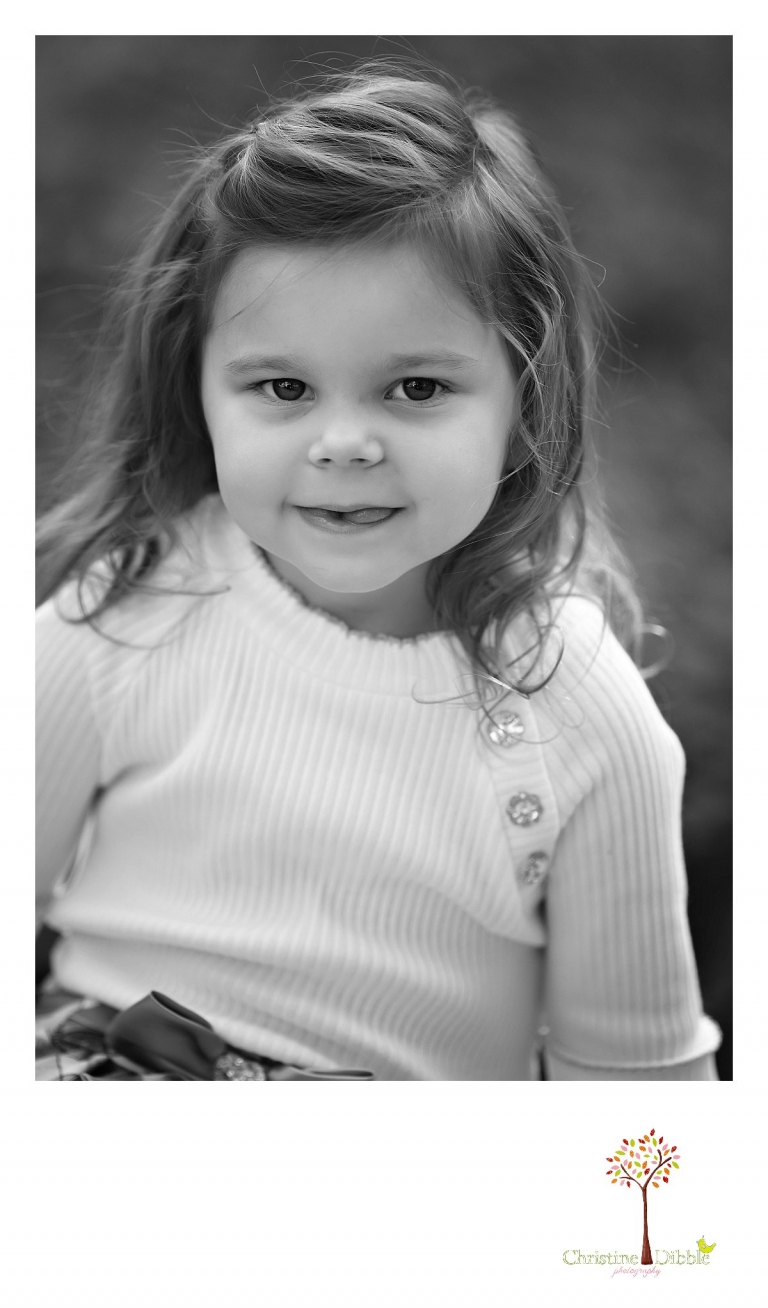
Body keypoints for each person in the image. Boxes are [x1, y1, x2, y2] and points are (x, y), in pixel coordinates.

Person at [36, 59, 721, 1081]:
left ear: (523, 401)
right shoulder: (126, 619)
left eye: (414, 386)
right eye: (282, 386)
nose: (345, 441)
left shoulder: (582, 713)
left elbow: (632, 1082)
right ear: (198, 388)